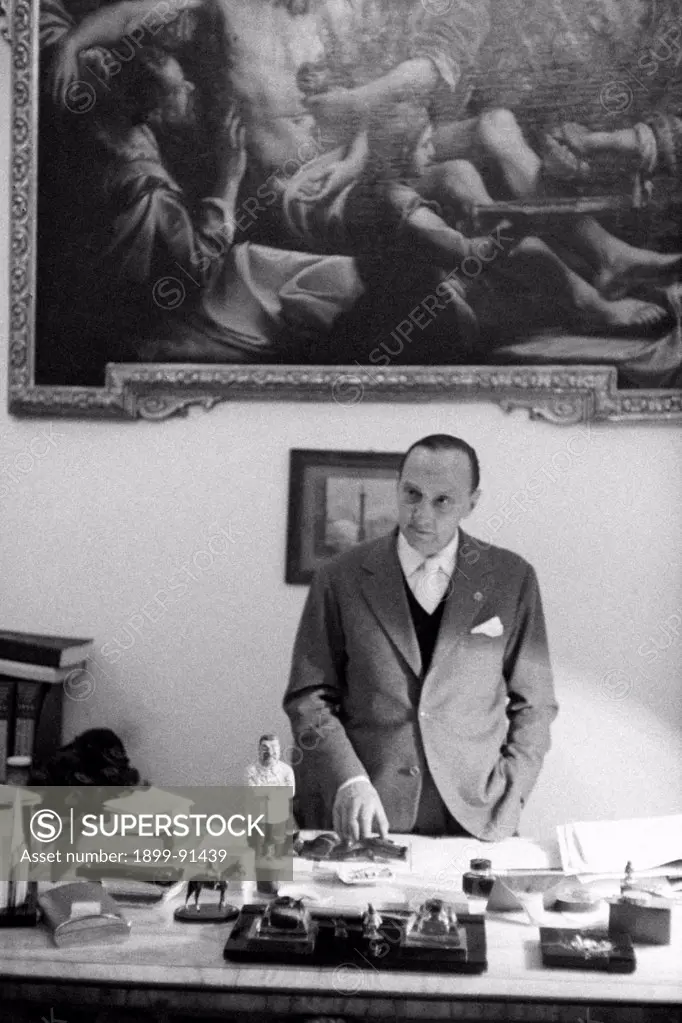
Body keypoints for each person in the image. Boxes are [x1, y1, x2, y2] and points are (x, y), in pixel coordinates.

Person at [284, 434, 559, 842]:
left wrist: (511, 791)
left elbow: (535, 704)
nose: (421, 514)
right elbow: (308, 698)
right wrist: (348, 781)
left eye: (442, 500)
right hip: (363, 818)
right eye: (412, 494)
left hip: (476, 818)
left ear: (472, 501)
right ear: (398, 488)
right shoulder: (338, 578)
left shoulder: (512, 578)